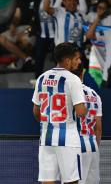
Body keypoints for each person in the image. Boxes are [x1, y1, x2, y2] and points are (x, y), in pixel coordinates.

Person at [32, 42, 87, 184]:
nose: (79, 62)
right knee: (71, 181)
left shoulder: (41, 78)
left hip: (46, 138)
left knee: (47, 181)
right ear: (67, 60)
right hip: (67, 139)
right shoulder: (73, 79)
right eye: (77, 58)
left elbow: (36, 112)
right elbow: (81, 112)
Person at [73, 64, 102, 184]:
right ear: (82, 74)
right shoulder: (94, 94)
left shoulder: (70, 93)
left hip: (76, 145)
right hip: (93, 145)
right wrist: (95, 147)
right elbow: (98, 128)